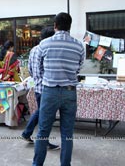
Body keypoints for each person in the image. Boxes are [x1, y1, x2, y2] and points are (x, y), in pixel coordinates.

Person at [33, 13, 85, 166]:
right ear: (70, 26)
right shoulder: (78, 45)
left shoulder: (44, 44)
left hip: (50, 91)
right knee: (67, 134)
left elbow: (38, 69)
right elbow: (78, 68)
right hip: (70, 91)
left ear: (55, 25)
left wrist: (49, 78)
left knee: (43, 132)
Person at [21, 27, 60, 151]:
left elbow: (30, 69)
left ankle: (27, 133)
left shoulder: (33, 50)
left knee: (42, 112)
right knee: (46, 115)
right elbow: (50, 70)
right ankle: (43, 141)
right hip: (47, 88)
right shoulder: (47, 49)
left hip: (38, 87)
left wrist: (37, 79)